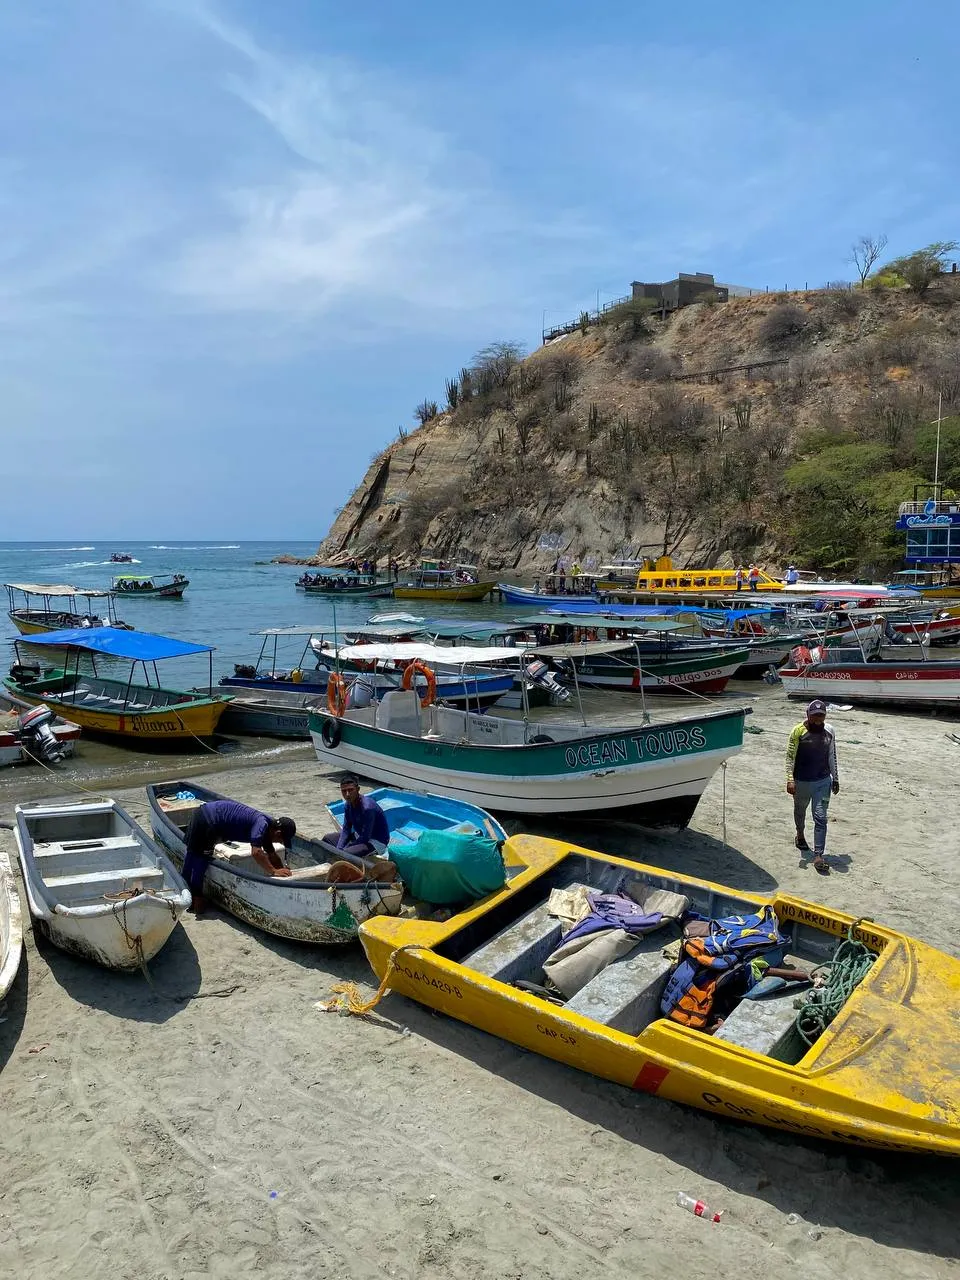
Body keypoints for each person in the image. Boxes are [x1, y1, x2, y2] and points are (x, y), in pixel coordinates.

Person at [183, 802, 295, 912]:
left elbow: (272, 855)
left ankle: (185, 890)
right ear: (278, 833)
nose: (279, 842)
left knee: (192, 854)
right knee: (200, 859)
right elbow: (256, 852)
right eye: (281, 840)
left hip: (204, 814)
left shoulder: (269, 829)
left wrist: (283, 871)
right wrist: (273, 871)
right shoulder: (262, 824)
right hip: (208, 820)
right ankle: (194, 898)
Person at [785, 700, 840, 875]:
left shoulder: (829, 731)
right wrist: (790, 779)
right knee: (800, 811)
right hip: (801, 782)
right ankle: (800, 835)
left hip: (823, 782)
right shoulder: (797, 731)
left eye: (821, 715)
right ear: (808, 715)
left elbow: (832, 755)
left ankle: (818, 855)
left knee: (821, 817)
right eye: (815, 715)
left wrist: (836, 778)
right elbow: (790, 757)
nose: (818, 719)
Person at [319, 774, 391, 871]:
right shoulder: (348, 805)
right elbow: (346, 829)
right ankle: (323, 866)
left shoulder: (368, 808)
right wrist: (339, 848)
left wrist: (345, 849)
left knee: (345, 854)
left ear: (358, 789)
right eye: (344, 791)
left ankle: (337, 871)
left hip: (375, 842)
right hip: (359, 836)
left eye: (350, 790)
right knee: (327, 839)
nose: (347, 794)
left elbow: (366, 837)